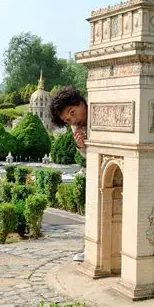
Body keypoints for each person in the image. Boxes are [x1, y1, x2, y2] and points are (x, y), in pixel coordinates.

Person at [50, 86, 88, 262]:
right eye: (67, 119)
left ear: (81, 103)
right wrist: (81, 147)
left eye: (73, 113)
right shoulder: (75, 127)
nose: (73, 120)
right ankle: (91, 248)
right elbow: (85, 155)